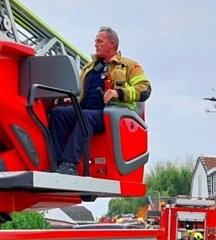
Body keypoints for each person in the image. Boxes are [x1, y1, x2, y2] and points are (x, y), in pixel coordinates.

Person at [48, 27, 151, 175]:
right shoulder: (89, 68)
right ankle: (57, 163)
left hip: (109, 114)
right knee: (58, 114)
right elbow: (82, 93)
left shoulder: (129, 66)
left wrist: (118, 92)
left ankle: (70, 164)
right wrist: (69, 99)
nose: (95, 45)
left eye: (99, 41)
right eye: (95, 41)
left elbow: (145, 89)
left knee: (85, 117)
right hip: (85, 111)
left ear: (112, 44)